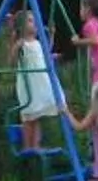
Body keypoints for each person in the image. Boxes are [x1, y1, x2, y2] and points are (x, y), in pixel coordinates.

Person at [10, 15, 65, 152]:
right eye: (30, 20)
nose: (34, 23)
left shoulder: (37, 42)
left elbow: (45, 53)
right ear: (21, 27)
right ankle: (28, 147)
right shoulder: (22, 44)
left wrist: (51, 35)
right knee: (29, 116)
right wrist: (16, 47)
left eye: (34, 20)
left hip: (39, 82)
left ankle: (36, 146)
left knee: (36, 115)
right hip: (29, 83)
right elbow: (12, 62)